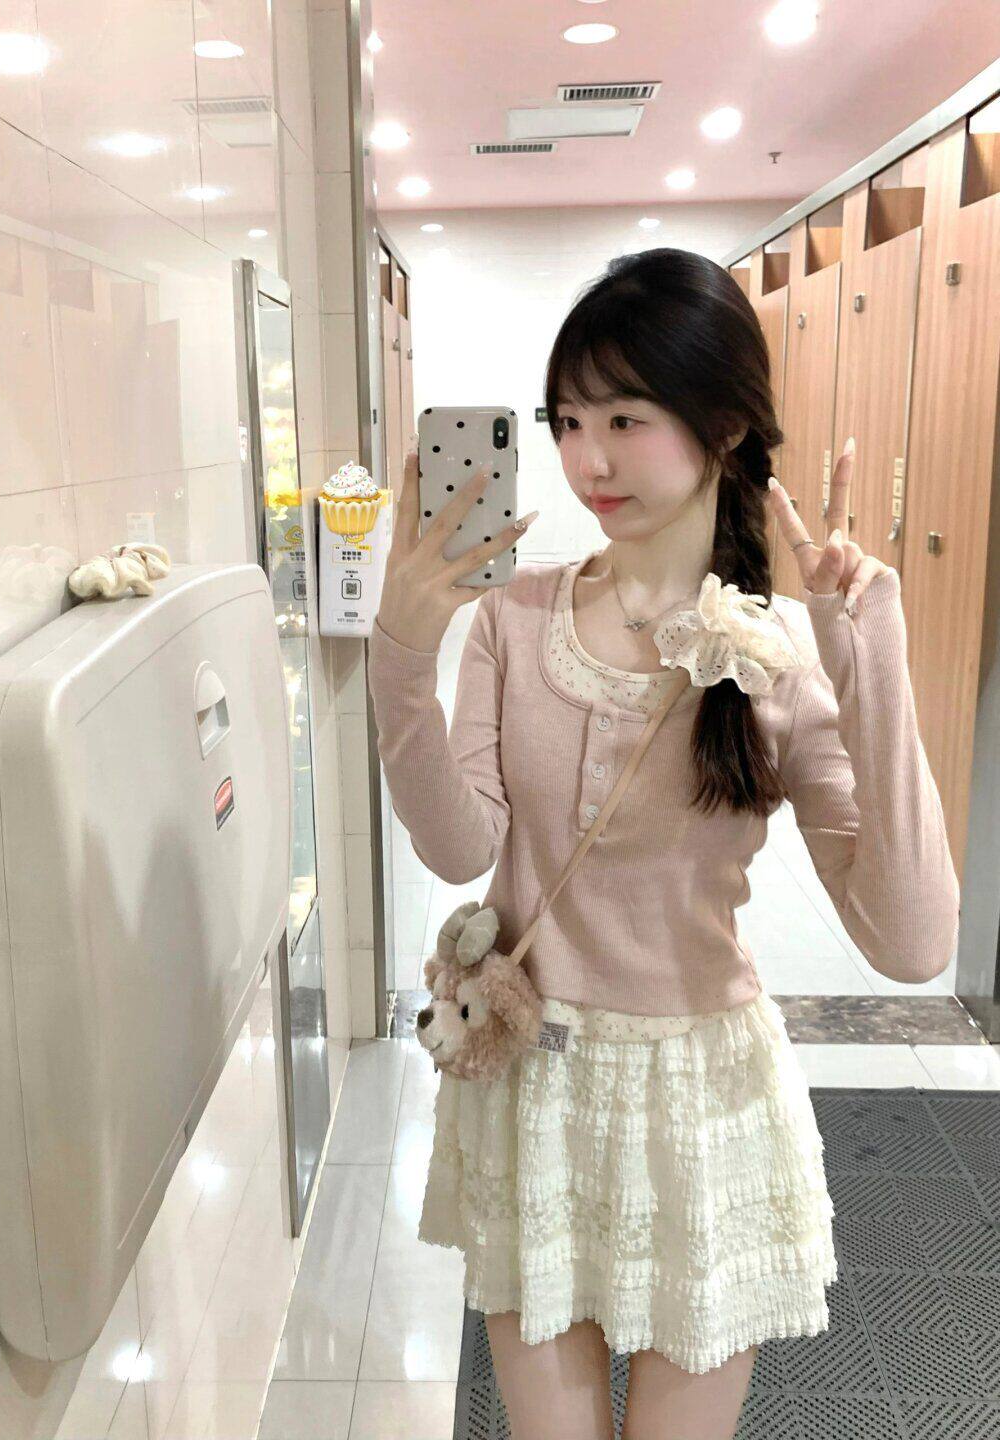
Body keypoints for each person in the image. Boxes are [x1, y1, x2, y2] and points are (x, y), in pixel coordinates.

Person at [366, 248, 960, 1440]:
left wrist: (869, 660)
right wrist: (401, 658)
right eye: (568, 420)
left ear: (724, 425)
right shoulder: (515, 618)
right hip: (533, 1085)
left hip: (703, 1104)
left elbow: (911, 942)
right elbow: (458, 846)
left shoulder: (775, 656)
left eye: (625, 419)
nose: (587, 460)